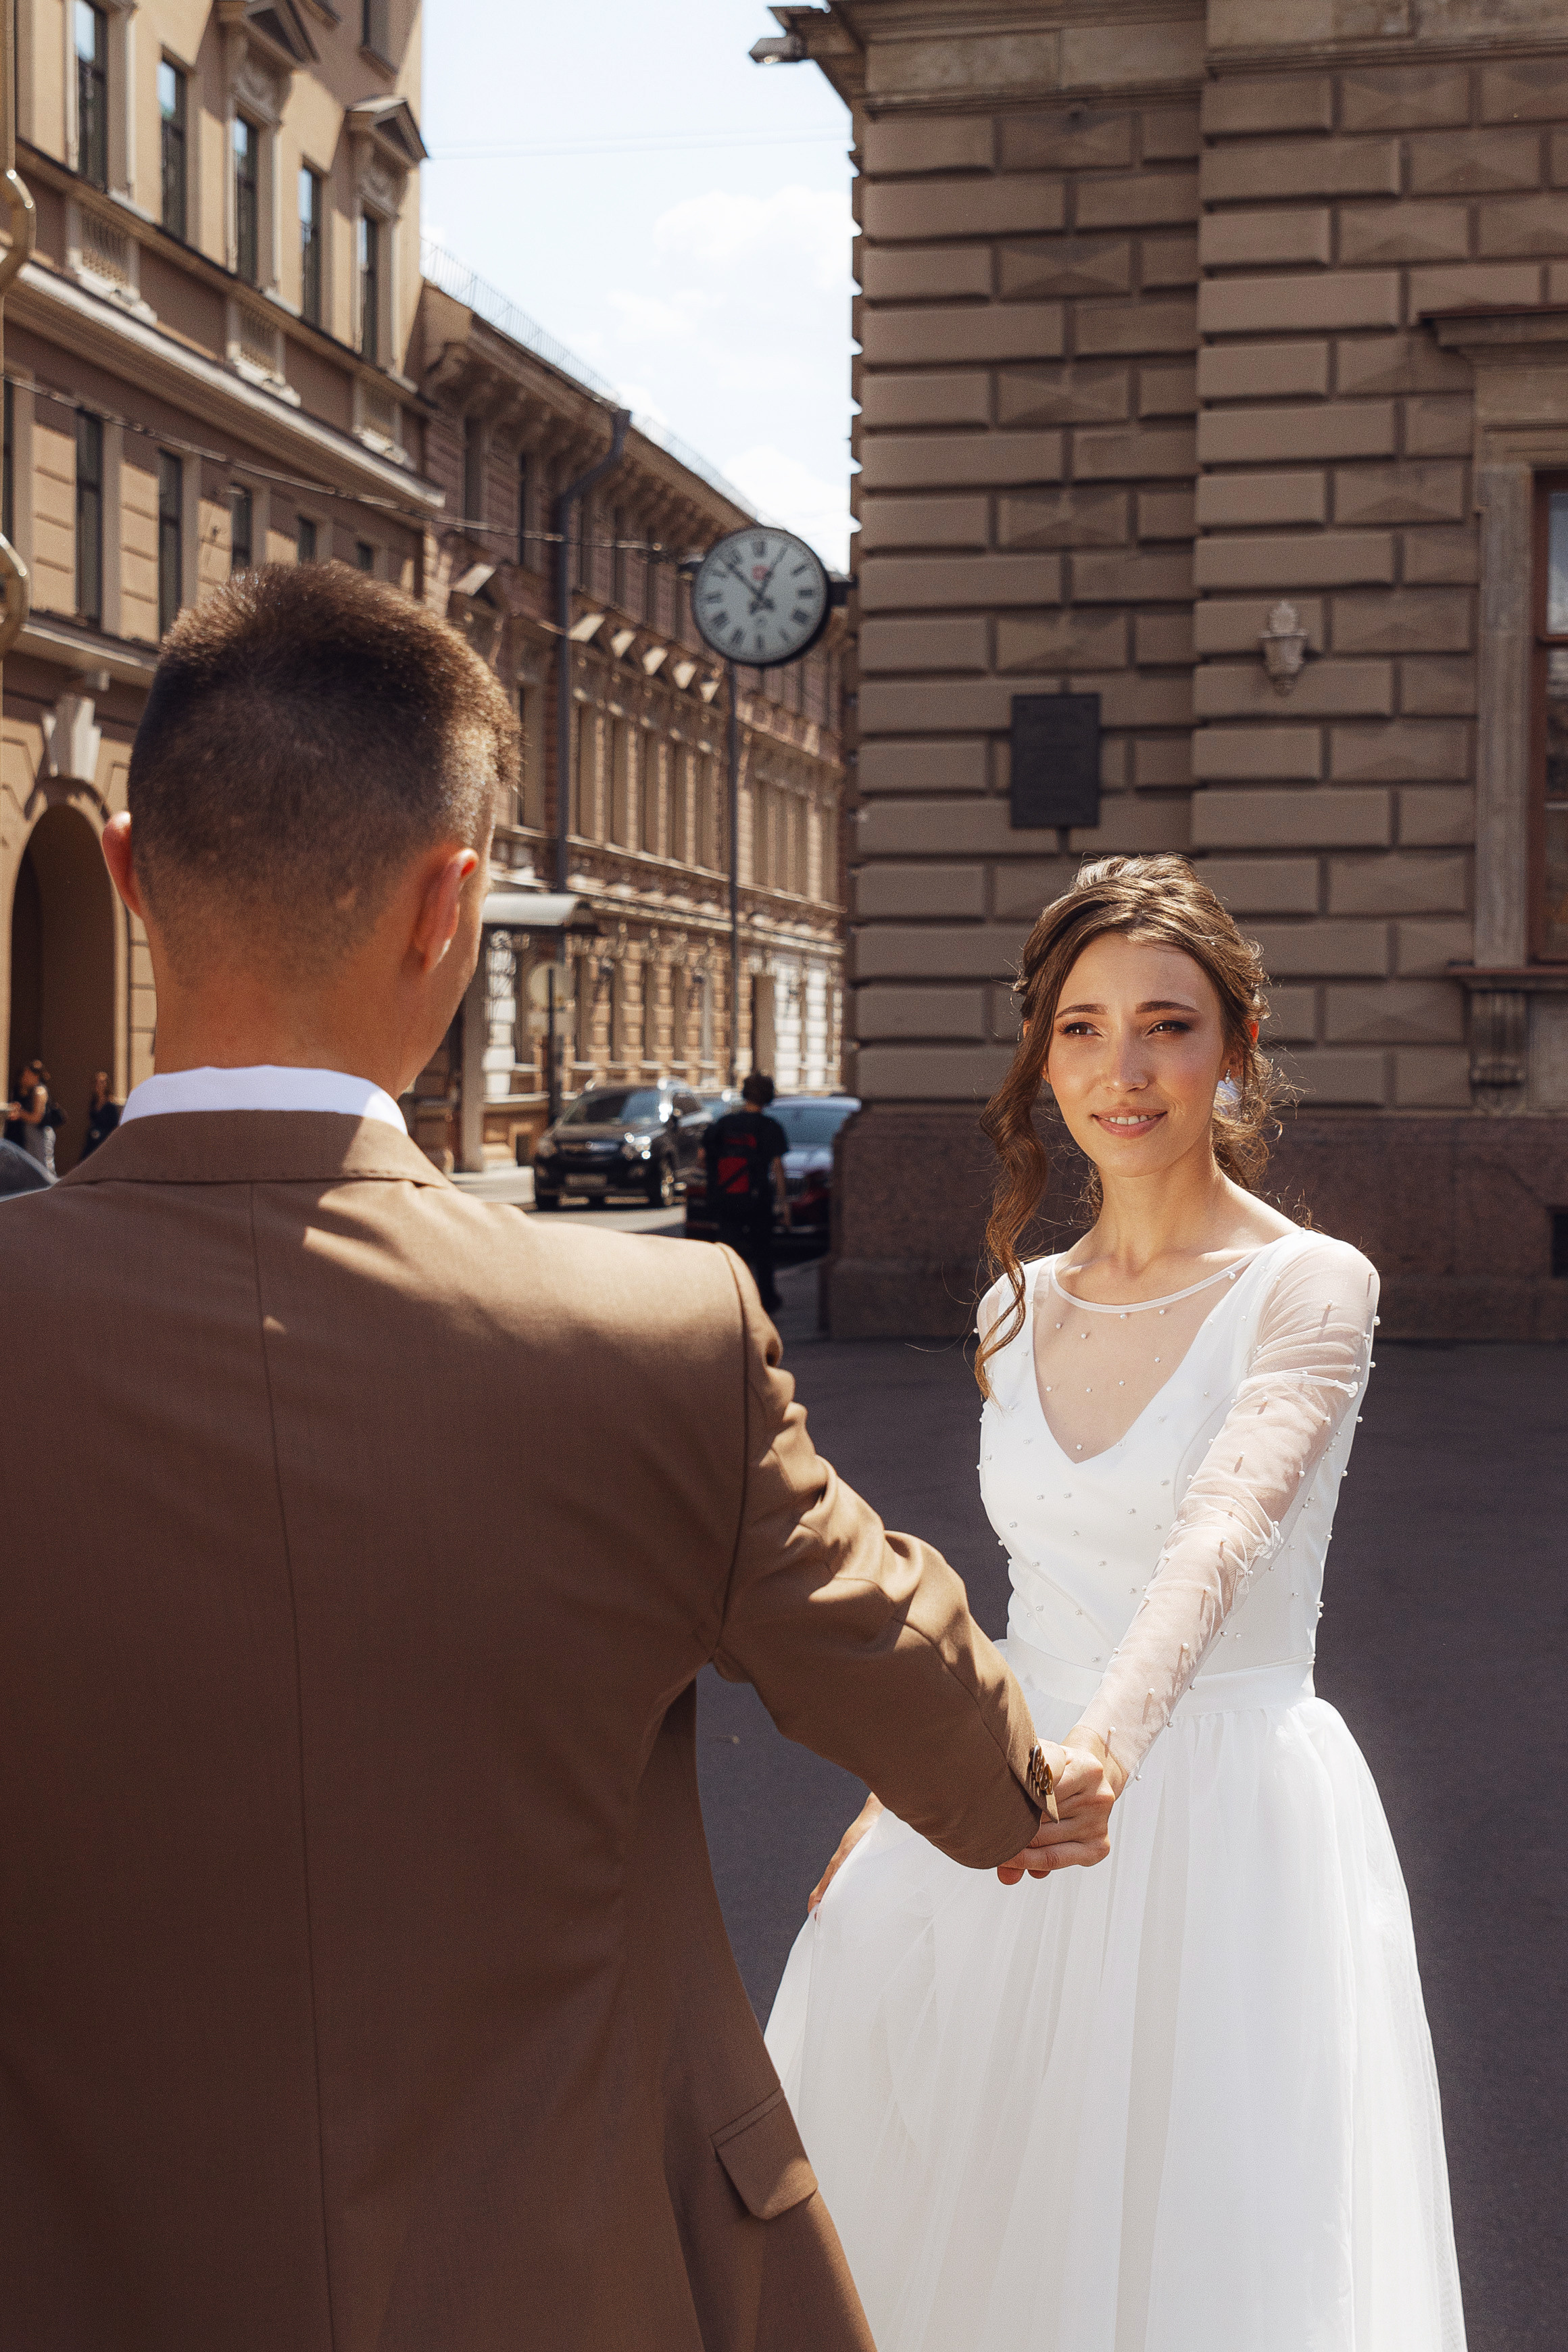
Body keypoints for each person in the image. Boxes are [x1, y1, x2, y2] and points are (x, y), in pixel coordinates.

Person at [0, 564, 1062, 2352]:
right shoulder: (656, 1338)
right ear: (454, 902)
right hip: (580, 2274)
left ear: (125, 875)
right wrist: (1035, 1782)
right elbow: (942, 1728)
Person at [766, 857, 1467, 2352]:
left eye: (1166, 1026)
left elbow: (1216, 1542)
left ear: (1237, 1047)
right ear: (1042, 1058)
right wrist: (910, 1786)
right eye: (1080, 1029)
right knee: (966, 2209)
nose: (1121, 1071)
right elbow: (1024, 1598)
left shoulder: (1310, 1285)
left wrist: (1106, 1756)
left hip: (1216, 1813)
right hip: (1025, 1793)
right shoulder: (1014, 1301)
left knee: (1200, 2247)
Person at [704, 1070, 790, 1310]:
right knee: (763, 1252)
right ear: (768, 1097)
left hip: (727, 1196)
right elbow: (778, 1168)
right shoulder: (770, 1127)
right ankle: (766, 1301)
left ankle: (727, 1299)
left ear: (744, 1094)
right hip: (757, 1198)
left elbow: (703, 1157)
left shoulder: (724, 1123)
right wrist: (783, 1204)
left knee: (728, 1251)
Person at [5, 1059, 55, 1177]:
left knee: (43, 1167)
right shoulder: (28, 1091)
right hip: (31, 1133)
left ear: (35, 1076)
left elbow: (37, 1117)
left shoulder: (39, 1091)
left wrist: (19, 1113)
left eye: (27, 1075)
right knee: (32, 1166)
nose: (25, 1077)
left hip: (39, 1133)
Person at [80, 1069, 122, 1158]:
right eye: (97, 1083)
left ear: (106, 1085)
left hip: (105, 1140)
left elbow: (114, 1125)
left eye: (102, 1082)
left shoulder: (110, 1105)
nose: (99, 1085)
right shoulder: (94, 1102)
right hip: (93, 1139)